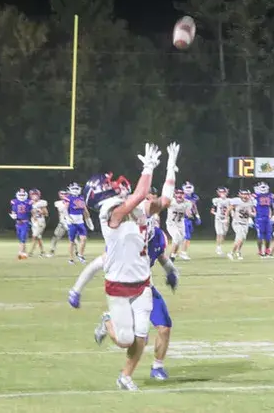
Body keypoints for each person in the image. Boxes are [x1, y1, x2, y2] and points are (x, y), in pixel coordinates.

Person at [81, 142, 177, 391]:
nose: (115, 184)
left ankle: (125, 377)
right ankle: (108, 321)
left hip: (143, 284)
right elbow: (139, 195)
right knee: (125, 340)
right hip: (119, 284)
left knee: (142, 334)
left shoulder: (136, 208)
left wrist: (171, 166)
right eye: (109, 184)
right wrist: (148, 167)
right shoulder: (111, 213)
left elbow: (165, 200)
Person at [66, 182, 94, 264]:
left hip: (80, 221)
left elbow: (85, 210)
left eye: (76, 188)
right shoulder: (68, 198)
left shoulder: (81, 198)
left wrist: (88, 220)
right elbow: (65, 209)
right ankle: (71, 259)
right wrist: (67, 217)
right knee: (72, 241)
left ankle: (80, 255)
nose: (75, 190)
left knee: (84, 239)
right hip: (72, 221)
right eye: (73, 188)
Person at [226, 189, 256, 260]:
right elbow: (228, 210)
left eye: (246, 194)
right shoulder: (237, 201)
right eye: (244, 194)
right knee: (239, 238)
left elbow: (253, 211)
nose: (245, 196)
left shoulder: (251, 202)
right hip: (237, 222)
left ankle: (238, 251)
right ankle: (231, 253)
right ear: (240, 195)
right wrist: (226, 218)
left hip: (245, 223)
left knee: (242, 239)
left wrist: (252, 214)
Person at [166, 188, 193, 262]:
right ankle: (171, 257)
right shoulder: (171, 201)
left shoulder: (187, 202)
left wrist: (191, 216)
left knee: (180, 240)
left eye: (181, 193)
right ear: (175, 194)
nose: (179, 195)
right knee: (177, 237)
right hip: (171, 223)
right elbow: (163, 205)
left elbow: (188, 212)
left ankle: (173, 255)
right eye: (178, 193)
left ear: (184, 195)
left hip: (181, 224)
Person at [47, 190, 75, 257]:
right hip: (62, 222)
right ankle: (52, 251)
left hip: (70, 222)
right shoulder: (58, 203)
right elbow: (59, 213)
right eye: (62, 194)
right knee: (55, 237)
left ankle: (77, 252)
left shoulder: (72, 202)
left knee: (73, 238)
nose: (63, 195)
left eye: (65, 194)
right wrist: (61, 220)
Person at [253, 182, 274, 257]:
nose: (263, 189)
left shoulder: (270, 196)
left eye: (264, 187)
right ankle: (260, 251)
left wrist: (273, 216)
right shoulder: (255, 196)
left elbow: (271, 207)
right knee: (260, 235)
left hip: (267, 218)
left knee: (268, 236)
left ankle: (267, 250)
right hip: (259, 218)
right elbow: (252, 207)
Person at [180, 181, 201, 260]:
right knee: (187, 236)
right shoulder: (181, 196)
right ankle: (183, 252)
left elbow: (194, 206)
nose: (188, 189)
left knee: (187, 237)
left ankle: (181, 251)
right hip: (183, 218)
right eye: (187, 187)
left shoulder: (194, 197)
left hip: (190, 219)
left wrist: (197, 216)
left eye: (189, 187)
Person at [9, 188, 32, 259]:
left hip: (25, 222)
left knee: (23, 238)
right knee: (20, 238)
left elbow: (32, 211)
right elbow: (13, 210)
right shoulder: (15, 202)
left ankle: (20, 252)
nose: (22, 196)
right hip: (18, 223)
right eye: (20, 195)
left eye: (23, 195)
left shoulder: (28, 202)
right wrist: (13, 215)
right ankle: (24, 253)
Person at [28, 189, 48, 257]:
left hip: (40, 221)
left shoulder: (42, 203)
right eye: (33, 195)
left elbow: (46, 213)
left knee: (34, 236)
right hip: (34, 222)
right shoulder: (30, 203)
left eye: (36, 194)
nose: (34, 196)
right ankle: (42, 252)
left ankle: (30, 252)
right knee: (38, 238)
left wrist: (40, 212)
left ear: (39, 195)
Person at [211, 187, 231, 255]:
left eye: (223, 192)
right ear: (218, 193)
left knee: (224, 234)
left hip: (226, 218)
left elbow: (231, 209)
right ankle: (218, 248)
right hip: (218, 219)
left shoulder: (229, 200)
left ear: (226, 192)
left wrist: (230, 216)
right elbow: (212, 211)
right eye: (221, 192)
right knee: (219, 233)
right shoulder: (216, 200)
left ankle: (220, 247)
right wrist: (217, 214)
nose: (222, 193)